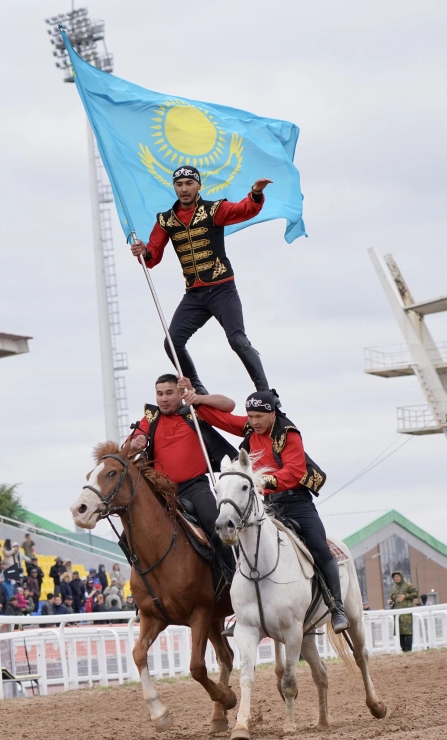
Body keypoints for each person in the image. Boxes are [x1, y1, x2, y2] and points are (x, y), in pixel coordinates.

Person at [188, 383, 344, 632]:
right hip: (267, 505)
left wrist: (262, 481)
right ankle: (244, 612)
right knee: (244, 551)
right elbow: (221, 419)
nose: (254, 422)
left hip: (297, 503)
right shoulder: (251, 427)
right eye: (250, 417)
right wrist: (194, 402)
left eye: (259, 417)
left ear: (273, 414)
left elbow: (295, 471)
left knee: (319, 548)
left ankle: (337, 608)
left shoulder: (289, 434)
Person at [129, 166, 275, 394]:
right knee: (172, 342)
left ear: (198, 185)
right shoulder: (166, 220)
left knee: (237, 340)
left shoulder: (214, 210)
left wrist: (255, 192)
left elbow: (245, 210)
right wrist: (142, 251)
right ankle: (197, 388)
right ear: (174, 187)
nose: (184, 189)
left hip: (222, 289)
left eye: (189, 183)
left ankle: (265, 392)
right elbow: (152, 255)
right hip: (194, 295)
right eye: (179, 184)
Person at [130, 374, 239, 542]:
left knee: (214, 523)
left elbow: (229, 405)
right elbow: (130, 445)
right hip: (161, 490)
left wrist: (198, 397)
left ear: (180, 393)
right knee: (129, 533)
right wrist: (135, 443)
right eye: (160, 394)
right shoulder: (151, 417)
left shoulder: (194, 412)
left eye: (169, 393)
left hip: (195, 488)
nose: (164, 399)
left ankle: (229, 567)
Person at [390, 572, 420, 652]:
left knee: (408, 632)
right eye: (395, 577)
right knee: (400, 632)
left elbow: (415, 594)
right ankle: (403, 650)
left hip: (406, 614)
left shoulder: (408, 585)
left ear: (401, 577)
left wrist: (405, 596)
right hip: (397, 614)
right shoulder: (394, 588)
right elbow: (393, 598)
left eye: (397, 576)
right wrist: (390, 601)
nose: (396, 578)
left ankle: (409, 649)